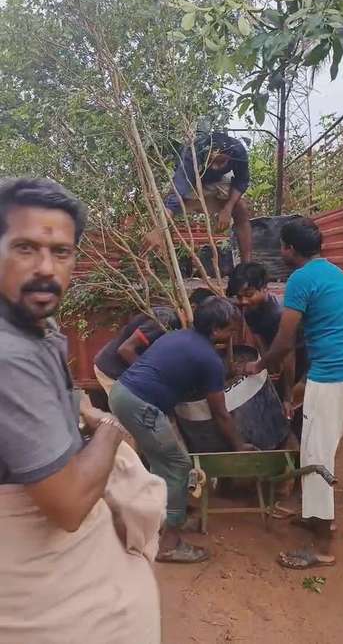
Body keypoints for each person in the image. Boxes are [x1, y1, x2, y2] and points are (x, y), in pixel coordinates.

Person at [0, 178, 165, 643]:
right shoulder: (9, 354)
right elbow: (68, 506)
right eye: (26, 248)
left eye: (62, 252)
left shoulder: (38, 325)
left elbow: (64, 395)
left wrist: (82, 414)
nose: (46, 269)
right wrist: (111, 429)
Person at [243, 218, 343, 569]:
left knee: (316, 458)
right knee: (321, 449)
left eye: (282, 246)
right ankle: (316, 515)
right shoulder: (333, 272)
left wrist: (259, 366)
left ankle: (322, 544)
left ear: (288, 248)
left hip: (333, 378)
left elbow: (285, 341)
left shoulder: (300, 279)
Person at [109, 296, 256, 564]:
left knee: (160, 465)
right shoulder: (209, 359)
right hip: (140, 404)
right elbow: (220, 413)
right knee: (178, 465)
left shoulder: (177, 336)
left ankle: (157, 523)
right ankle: (169, 544)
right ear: (215, 330)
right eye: (230, 329)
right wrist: (239, 445)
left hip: (123, 393)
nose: (233, 334)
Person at [227, 261, 308, 441]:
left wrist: (288, 396)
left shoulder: (278, 314)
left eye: (249, 295)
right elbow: (259, 338)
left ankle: (303, 451)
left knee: (296, 407)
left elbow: (289, 355)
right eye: (238, 297)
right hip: (285, 357)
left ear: (264, 288)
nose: (243, 301)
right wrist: (268, 365)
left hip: (306, 360)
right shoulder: (249, 310)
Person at [143, 132, 252, 262]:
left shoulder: (238, 151)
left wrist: (228, 208)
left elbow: (241, 181)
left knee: (241, 208)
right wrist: (159, 229)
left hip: (216, 184)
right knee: (165, 210)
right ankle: (163, 257)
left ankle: (247, 265)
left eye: (221, 162)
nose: (216, 166)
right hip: (192, 183)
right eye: (212, 161)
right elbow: (177, 194)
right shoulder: (191, 154)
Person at [94, 288, 214, 396]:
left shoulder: (181, 326)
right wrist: (152, 377)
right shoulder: (165, 320)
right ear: (192, 307)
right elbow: (126, 349)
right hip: (112, 370)